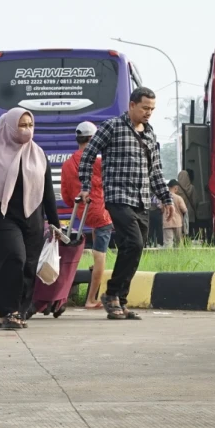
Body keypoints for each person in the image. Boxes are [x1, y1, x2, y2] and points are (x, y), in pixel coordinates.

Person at [78, 87, 174, 321]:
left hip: (142, 199)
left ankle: (120, 299)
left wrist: (165, 198)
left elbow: (156, 171)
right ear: (132, 105)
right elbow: (89, 154)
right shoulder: (113, 127)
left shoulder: (150, 134)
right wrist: (86, 185)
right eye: (144, 108)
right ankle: (111, 294)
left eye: (152, 109)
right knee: (134, 241)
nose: (148, 113)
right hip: (118, 197)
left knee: (134, 248)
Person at [0, 108, 61, 330]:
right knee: (13, 258)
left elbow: (47, 192)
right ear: (9, 127)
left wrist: (56, 223)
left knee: (29, 265)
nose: (27, 130)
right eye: (21, 125)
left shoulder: (39, 154)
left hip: (33, 218)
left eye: (30, 125)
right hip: (1, 217)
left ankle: (21, 310)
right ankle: (8, 312)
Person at [61, 121, 113, 309]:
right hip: (101, 213)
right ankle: (91, 299)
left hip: (82, 213)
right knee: (100, 255)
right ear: (93, 139)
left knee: (93, 248)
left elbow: (67, 197)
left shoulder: (67, 164)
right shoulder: (98, 163)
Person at [161, 179, 188, 248]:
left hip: (167, 223)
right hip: (178, 223)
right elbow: (184, 210)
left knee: (168, 242)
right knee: (178, 243)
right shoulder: (179, 198)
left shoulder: (163, 198)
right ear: (175, 188)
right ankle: (178, 257)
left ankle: (168, 257)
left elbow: (161, 209)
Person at [177, 169, 196, 237]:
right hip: (189, 212)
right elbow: (194, 201)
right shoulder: (191, 188)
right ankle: (188, 243)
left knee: (180, 230)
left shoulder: (176, 188)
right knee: (189, 230)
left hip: (179, 213)